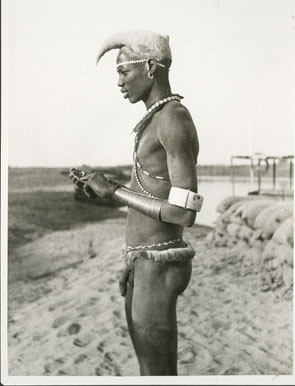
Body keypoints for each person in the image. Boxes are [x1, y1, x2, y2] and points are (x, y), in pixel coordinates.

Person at [78, 30, 203, 376]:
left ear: (150, 67)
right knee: (148, 372)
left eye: (123, 71)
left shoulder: (174, 119)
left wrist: (113, 191)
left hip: (162, 265)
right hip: (144, 262)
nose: (119, 82)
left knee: (158, 374)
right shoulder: (153, 120)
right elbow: (151, 193)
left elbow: (185, 213)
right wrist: (132, 258)